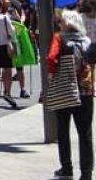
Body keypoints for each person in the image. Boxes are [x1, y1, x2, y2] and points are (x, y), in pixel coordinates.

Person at [48, 10, 93, 180]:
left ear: (66, 24)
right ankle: (86, 173)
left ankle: (66, 169)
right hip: (85, 91)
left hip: (65, 90)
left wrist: (51, 75)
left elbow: (51, 58)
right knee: (85, 133)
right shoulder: (87, 40)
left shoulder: (59, 38)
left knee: (63, 130)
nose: (59, 24)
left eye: (61, 21)